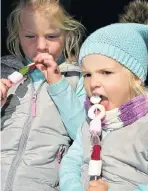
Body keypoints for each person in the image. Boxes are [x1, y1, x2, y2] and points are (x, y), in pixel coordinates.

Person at [0, 0, 86, 190]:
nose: (41, 46)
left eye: (52, 36)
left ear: (67, 35)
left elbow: (84, 134)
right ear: (17, 36)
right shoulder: (3, 72)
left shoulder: (75, 79)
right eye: (30, 36)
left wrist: (58, 84)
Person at [59, 23, 148, 191]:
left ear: (136, 77)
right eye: (87, 75)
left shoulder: (143, 127)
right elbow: (71, 163)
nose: (93, 83)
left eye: (106, 73)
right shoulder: (89, 123)